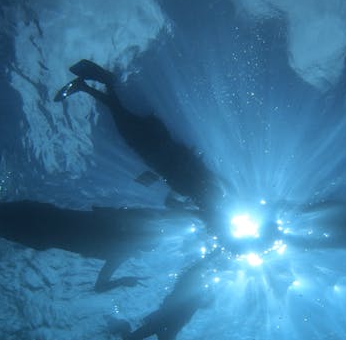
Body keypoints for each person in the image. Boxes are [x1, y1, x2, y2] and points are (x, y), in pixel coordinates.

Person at [0, 181, 200, 291]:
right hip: (40, 225)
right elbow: (102, 284)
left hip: (41, 225)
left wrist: (123, 279)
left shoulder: (119, 248)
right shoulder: (119, 248)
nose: (146, 248)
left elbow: (102, 209)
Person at [54, 59, 228, 235]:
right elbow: (179, 189)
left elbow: (173, 196)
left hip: (155, 144)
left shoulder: (199, 193)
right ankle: (100, 83)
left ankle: (89, 85)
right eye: (210, 223)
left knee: (119, 115)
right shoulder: (208, 193)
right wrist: (197, 212)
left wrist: (195, 211)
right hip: (153, 145)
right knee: (120, 117)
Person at [108, 250, 224, 340]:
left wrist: (210, 294)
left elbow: (205, 303)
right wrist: (211, 257)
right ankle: (125, 327)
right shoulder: (192, 284)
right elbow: (195, 275)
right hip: (165, 319)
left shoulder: (199, 291)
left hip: (171, 321)